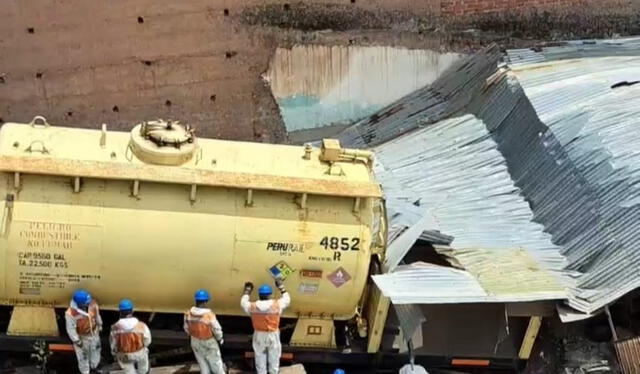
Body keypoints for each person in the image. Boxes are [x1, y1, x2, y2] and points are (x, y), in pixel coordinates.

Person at [240, 278, 290, 374]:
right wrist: (281, 286)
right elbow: (287, 299)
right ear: (270, 295)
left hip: (259, 334)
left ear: (259, 295)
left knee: (260, 358)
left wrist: (247, 291)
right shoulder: (277, 305)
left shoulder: (253, 306)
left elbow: (243, 303)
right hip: (273, 334)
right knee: (274, 358)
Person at [184, 289, 225, 374]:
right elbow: (217, 329)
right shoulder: (209, 315)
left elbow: (186, 329)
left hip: (195, 341)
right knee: (217, 366)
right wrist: (220, 339)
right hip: (209, 342)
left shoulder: (188, 314)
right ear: (205, 302)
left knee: (203, 367)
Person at [65, 289, 103, 374]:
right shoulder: (71, 313)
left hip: (94, 333)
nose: (88, 304)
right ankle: (85, 371)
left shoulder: (93, 304)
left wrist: (99, 325)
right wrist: (77, 341)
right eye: (86, 303)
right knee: (83, 357)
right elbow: (70, 329)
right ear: (80, 304)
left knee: (95, 351)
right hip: (82, 337)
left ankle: (95, 367)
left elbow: (97, 316)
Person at [109, 299, 151, 374]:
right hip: (139, 353)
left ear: (120, 312)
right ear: (132, 311)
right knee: (143, 362)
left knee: (128, 370)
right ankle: (143, 372)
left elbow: (113, 344)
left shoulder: (115, 328)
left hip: (124, 355)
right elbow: (148, 341)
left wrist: (114, 354)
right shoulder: (141, 326)